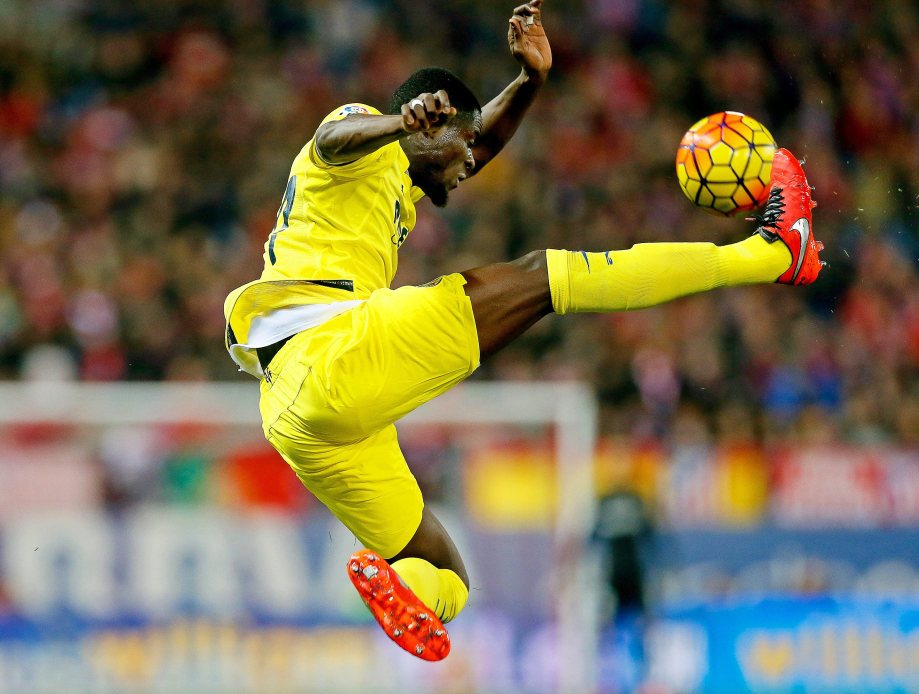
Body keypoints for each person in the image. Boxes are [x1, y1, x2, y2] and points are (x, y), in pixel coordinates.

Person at [223, 0, 823, 661]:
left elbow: (476, 143)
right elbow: (340, 136)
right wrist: (400, 120)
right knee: (544, 279)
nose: (470, 164)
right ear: (431, 122)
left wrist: (531, 80)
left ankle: (402, 590)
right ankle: (771, 253)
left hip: (298, 412)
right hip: (329, 349)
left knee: (444, 572)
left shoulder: (403, 171)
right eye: (459, 139)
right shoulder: (358, 139)